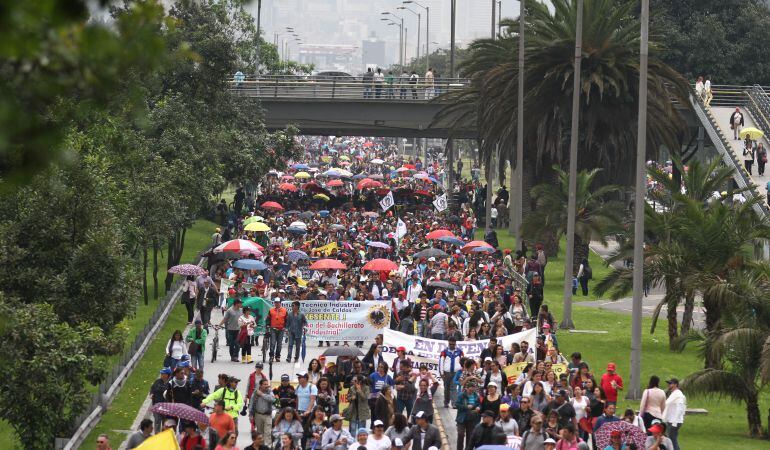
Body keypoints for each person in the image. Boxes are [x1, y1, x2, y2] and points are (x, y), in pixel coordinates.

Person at [455, 381, 482, 450]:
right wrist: (466, 407)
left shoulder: (476, 395)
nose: (471, 392)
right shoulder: (461, 395)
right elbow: (457, 405)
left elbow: (479, 404)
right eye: (470, 390)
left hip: (472, 418)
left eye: (473, 390)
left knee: (470, 436)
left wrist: (478, 407)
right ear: (467, 388)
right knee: (460, 434)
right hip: (462, 418)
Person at [439, 337, 464, 407]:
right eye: (450, 344)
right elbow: (441, 362)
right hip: (447, 373)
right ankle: (446, 402)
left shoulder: (459, 351)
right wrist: (441, 372)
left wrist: (462, 372)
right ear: (448, 343)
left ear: (455, 343)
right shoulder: (444, 351)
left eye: (453, 344)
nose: (452, 345)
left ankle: (454, 403)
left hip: (456, 373)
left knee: (454, 388)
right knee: (446, 388)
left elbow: (463, 362)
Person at [250, 379, 276, 447]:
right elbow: (251, 403)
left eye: (267, 384)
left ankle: (267, 447)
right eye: (264, 384)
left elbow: (273, 399)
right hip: (258, 415)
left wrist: (261, 394)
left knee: (267, 433)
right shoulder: (255, 392)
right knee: (260, 433)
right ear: (260, 385)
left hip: (267, 415)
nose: (266, 385)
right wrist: (250, 414)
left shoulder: (269, 391)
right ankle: (261, 447)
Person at [663, 378, 686, 450]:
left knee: (672, 440)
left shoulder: (678, 394)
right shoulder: (674, 394)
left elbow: (680, 408)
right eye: (668, 383)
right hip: (671, 420)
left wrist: (674, 423)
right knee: (672, 440)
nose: (669, 385)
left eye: (670, 383)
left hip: (674, 421)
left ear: (676, 385)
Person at [150, 367, 172, 433]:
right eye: (161, 373)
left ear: (167, 375)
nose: (161, 374)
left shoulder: (171, 383)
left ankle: (163, 437)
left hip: (167, 407)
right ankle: (157, 436)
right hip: (157, 406)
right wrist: (151, 394)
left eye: (163, 373)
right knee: (157, 421)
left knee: (165, 424)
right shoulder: (157, 382)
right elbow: (152, 389)